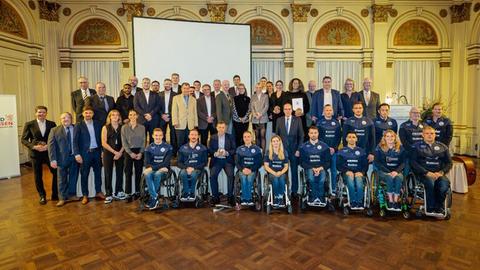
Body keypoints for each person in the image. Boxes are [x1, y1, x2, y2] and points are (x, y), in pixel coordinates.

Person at [411, 126, 452, 213]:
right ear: (422, 135)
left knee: (443, 185)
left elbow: (449, 163)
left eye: (432, 133)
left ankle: (439, 207)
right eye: (427, 133)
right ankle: (430, 207)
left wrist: (441, 172)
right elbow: (413, 163)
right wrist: (426, 172)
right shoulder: (416, 146)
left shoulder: (443, 147)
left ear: (435, 135)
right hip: (423, 174)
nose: (430, 135)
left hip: (439, 174)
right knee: (430, 183)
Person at [22, 105, 58, 204]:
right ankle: (42, 196)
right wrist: (34, 147)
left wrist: (48, 146)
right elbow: (24, 139)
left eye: (43, 112)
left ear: (46, 113)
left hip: (48, 153)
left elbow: (55, 137)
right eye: (39, 112)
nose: (41, 114)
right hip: (35, 154)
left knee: (55, 172)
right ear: (36, 113)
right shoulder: (29, 124)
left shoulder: (52, 123)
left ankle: (55, 194)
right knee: (38, 175)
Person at [73, 106, 104, 205]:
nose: (88, 114)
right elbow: (75, 141)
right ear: (83, 114)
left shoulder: (98, 124)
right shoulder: (78, 125)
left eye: (90, 113)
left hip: (97, 152)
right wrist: (77, 154)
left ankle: (98, 192)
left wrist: (102, 151)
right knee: (84, 174)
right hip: (84, 154)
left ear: (93, 114)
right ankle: (85, 195)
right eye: (86, 113)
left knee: (98, 173)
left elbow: (101, 138)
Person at [48, 112, 78, 207]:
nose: (65, 119)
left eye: (67, 117)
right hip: (61, 159)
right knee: (61, 179)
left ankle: (71, 194)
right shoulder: (54, 130)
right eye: (63, 118)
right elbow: (51, 146)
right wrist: (53, 159)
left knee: (73, 177)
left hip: (74, 157)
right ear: (60, 120)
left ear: (71, 118)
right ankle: (62, 198)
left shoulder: (77, 128)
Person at [275, 103, 304, 198]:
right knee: (283, 171)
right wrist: (278, 149)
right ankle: (284, 191)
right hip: (282, 151)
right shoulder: (279, 120)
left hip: (294, 150)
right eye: (286, 109)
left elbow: (301, 136)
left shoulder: (298, 120)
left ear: (292, 110)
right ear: (283, 110)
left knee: (294, 171)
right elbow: (277, 136)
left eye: (289, 109)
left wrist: (299, 149)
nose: (287, 111)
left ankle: (294, 191)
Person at [299, 126, 331, 204]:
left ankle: (320, 198)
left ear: (318, 134)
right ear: (309, 134)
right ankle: (313, 197)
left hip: (321, 168)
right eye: (312, 133)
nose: (313, 135)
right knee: (311, 179)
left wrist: (320, 168)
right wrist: (311, 168)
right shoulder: (303, 147)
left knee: (322, 179)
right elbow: (302, 162)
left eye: (315, 133)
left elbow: (328, 161)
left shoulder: (325, 146)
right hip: (309, 168)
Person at [374, 130, 406, 209]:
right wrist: (388, 172)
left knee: (398, 178)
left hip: (397, 172)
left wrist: (396, 171)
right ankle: (390, 201)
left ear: (395, 137)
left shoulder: (401, 148)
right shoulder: (379, 148)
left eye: (392, 136)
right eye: (387, 136)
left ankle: (396, 200)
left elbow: (403, 163)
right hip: (383, 172)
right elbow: (377, 163)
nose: (390, 138)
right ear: (384, 138)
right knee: (389, 177)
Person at [337, 131, 368, 208]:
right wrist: (346, 171)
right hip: (346, 173)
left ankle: (360, 202)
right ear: (346, 139)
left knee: (358, 180)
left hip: (359, 173)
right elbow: (338, 165)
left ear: (356, 139)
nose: (351, 139)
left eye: (353, 137)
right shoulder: (341, 151)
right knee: (350, 180)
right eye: (349, 137)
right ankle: (353, 201)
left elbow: (365, 165)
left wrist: (362, 172)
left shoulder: (362, 151)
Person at [143, 128, 173, 209]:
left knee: (157, 173)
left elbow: (166, 163)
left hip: (165, 172)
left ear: (163, 136)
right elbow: (146, 163)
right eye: (156, 135)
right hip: (154, 170)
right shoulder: (148, 148)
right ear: (152, 136)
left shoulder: (168, 147)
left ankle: (153, 198)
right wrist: (156, 168)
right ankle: (155, 197)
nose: (158, 137)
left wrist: (153, 168)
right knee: (147, 174)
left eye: (160, 135)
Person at [208, 121, 236, 205]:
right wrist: (214, 153)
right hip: (216, 160)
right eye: (219, 127)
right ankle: (215, 197)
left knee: (231, 175)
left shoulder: (230, 137)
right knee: (212, 176)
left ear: (225, 128)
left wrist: (227, 152)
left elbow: (234, 149)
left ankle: (230, 197)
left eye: (223, 127)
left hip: (227, 160)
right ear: (216, 128)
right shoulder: (212, 137)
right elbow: (210, 150)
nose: (221, 129)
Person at [101, 110, 126, 204]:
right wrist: (114, 152)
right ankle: (108, 194)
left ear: (119, 117)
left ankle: (119, 191)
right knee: (108, 173)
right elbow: (103, 142)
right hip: (108, 152)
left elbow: (125, 142)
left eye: (117, 115)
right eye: (113, 115)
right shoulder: (105, 127)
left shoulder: (123, 127)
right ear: (110, 117)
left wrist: (119, 152)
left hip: (120, 152)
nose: (115, 116)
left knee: (120, 172)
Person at [121, 109, 146, 201]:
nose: (132, 116)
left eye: (134, 114)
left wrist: (141, 152)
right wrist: (130, 153)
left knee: (138, 173)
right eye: (130, 115)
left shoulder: (142, 127)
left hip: (139, 151)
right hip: (128, 152)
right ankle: (128, 193)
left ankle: (138, 192)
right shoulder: (124, 127)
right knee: (128, 172)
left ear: (137, 116)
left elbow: (144, 141)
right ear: (128, 116)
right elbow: (124, 142)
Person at [177, 128, 208, 200]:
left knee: (194, 174)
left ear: (198, 136)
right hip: (186, 168)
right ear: (189, 136)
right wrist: (186, 168)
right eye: (192, 134)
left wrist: (194, 168)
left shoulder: (203, 148)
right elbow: (179, 162)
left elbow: (204, 162)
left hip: (197, 169)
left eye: (195, 135)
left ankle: (192, 193)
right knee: (182, 174)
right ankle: (185, 193)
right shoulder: (182, 148)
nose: (193, 136)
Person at [317, 104, 342, 193]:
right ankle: (323, 189)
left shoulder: (336, 123)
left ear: (332, 112)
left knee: (334, 170)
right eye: (326, 110)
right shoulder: (319, 123)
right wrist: (326, 148)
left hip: (334, 152)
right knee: (322, 170)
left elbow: (339, 137)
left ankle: (334, 189)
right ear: (324, 112)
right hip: (323, 152)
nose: (328, 112)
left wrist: (334, 148)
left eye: (330, 110)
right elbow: (318, 138)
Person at [235, 131, 263, 205]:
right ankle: (245, 198)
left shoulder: (257, 149)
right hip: (242, 170)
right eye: (245, 137)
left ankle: (248, 198)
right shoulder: (239, 149)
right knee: (244, 178)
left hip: (252, 170)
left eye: (248, 136)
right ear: (243, 138)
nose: (247, 138)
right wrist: (242, 169)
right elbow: (237, 162)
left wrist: (251, 169)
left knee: (250, 178)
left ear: (252, 138)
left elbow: (259, 162)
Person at [264, 135, 289, 207]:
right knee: (275, 179)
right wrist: (274, 172)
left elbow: (286, 166)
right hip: (272, 173)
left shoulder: (284, 152)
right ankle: (275, 197)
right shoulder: (268, 152)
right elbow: (266, 166)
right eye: (274, 141)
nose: (275, 143)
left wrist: (281, 172)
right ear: (271, 143)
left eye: (277, 141)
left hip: (282, 173)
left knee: (281, 179)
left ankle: (280, 197)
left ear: (280, 142)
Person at [134, 77, 161, 143]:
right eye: (144, 83)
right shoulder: (137, 94)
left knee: (153, 138)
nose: (146, 84)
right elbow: (136, 106)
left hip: (153, 119)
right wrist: (145, 114)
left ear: (150, 85)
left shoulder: (155, 94)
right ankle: (142, 153)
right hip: (142, 119)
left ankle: (152, 152)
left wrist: (150, 114)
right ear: (142, 84)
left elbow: (158, 106)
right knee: (142, 138)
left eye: (148, 83)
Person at [172, 82, 198, 148]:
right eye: (184, 88)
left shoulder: (193, 99)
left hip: (190, 125)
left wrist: (195, 123)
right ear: (181, 89)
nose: (186, 90)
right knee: (180, 142)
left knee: (189, 142)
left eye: (187, 88)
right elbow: (174, 111)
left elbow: (195, 112)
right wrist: (175, 122)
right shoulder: (176, 98)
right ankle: (180, 157)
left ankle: (188, 157)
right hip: (180, 124)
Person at [159, 78, 178, 153]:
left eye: (169, 84)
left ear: (171, 85)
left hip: (172, 117)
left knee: (173, 135)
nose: (168, 85)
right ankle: (163, 150)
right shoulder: (159, 94)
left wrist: (169, 115)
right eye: (166, 84)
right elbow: (157, 106)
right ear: (164, 84)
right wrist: (162, 115)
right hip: (162, 117)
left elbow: (176, 107)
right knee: (162, 134)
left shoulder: (175, 95)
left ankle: (173, 152)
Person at [250, 83, 269, 150]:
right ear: (255, 88)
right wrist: (255, 114)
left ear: (262, 88)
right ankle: (258, 152)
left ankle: (263, 154)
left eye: (260, 87)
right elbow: (251, 107)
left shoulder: (265, 96)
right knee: (257, 136)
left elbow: (266, 106)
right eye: (257, 87)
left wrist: (260, 114)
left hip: (263, 118)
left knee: (262, 136)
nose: (258, 89)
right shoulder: (253, 96)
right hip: (255, 119)